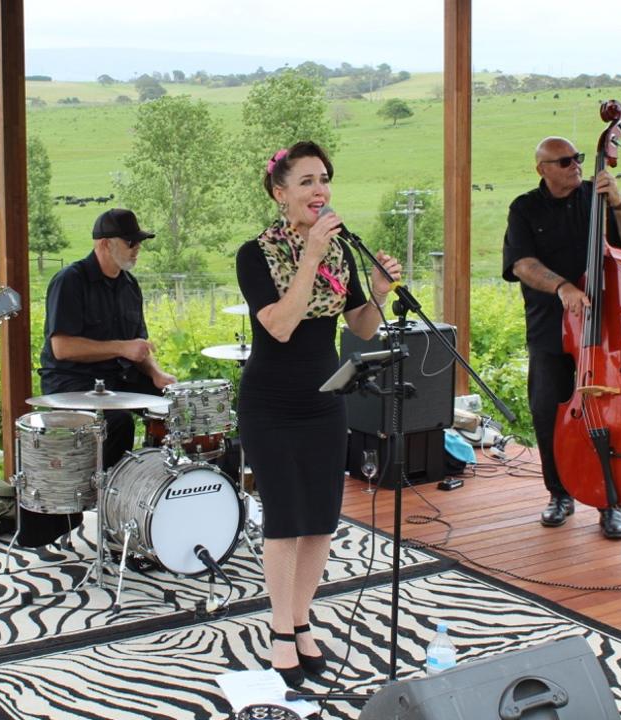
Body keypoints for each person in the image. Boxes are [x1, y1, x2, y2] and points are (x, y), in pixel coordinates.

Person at [236, 142, 402, 687]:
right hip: (272, 404)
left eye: (324, 179)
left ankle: (302, 618)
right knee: (285, 520)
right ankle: (280, 630)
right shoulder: (255, 254)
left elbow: (360, 328)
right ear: (280, 193)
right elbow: (280, 326)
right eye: (306, 181)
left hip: (325, 401)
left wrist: (375, 293)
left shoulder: (339, 252)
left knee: (321, 523)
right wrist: (308, 256)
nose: (319, 189)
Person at [502, 136, 621, 540]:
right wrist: (564, 287)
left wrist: (619, 202)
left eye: (578, 158)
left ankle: (611, 502)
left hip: (605, 333)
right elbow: (521, 264)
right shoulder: (525, 208)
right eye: (564, 161)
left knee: (612, 417)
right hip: (551, 328)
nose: (575, 166)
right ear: (542, 169)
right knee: (549, 413)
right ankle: (559, 494)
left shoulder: (598, 199)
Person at [31, 208, 177, 546]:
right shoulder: (70, 280)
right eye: (130, 241)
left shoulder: (129, 285)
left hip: (118, 379)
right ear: (103, 244)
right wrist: (122, 348)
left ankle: (156, 497)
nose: (137, 247)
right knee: (120, 423)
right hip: (70, 382)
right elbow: (63, 347)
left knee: (174, 409)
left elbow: (136, 347)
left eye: (138, 241)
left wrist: (156, 374)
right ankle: (111, 509)